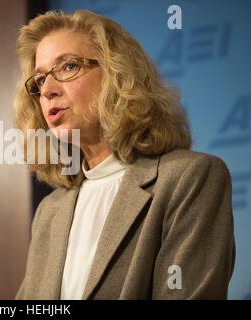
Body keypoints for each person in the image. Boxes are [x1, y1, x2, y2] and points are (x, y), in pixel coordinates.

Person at [13, 10, 235, 299]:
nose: (49, 91)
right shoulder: (50, 211)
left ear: (117, 75)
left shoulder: (189, 179)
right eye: (40, 80)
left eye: (67, 67)